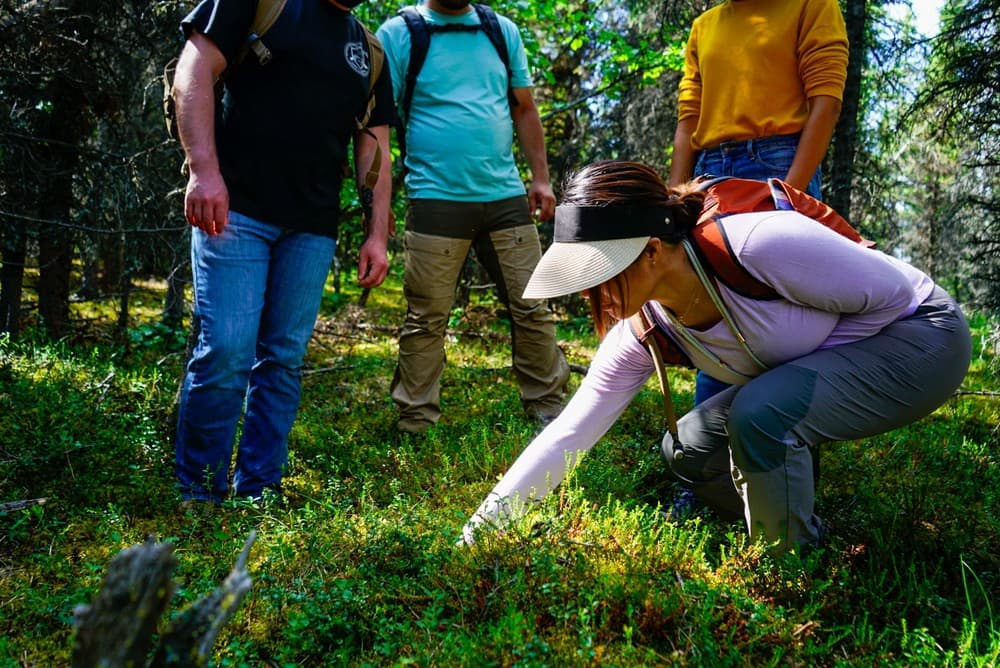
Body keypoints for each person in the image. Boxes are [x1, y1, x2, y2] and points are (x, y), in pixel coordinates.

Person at [461, 160, 971, 553]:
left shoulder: (759, 245)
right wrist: (478, 532)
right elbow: (570, 433)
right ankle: (805, 530)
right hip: (843, 363)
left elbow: (894, 295)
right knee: (689, 448)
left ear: (653, 250)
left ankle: (785, 569)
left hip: (924, 336)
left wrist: (795, 381)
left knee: (762, 412)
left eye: (600, 272)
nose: (593, 293)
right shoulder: (643, 327)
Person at [171, 0, 394, 504]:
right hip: (235, 211)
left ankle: (259, 491)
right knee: (227, 350)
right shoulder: (262, 4)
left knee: (283, 360)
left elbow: (373, 145)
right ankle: (200, 494)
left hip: (311, 229)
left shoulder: (370, 50)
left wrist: (377, 233)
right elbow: (195, 68)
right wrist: (203, 172)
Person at [376, 0, 570, 434]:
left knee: (533, 305)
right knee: (426, 317)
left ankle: (550, 413)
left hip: (504, 197)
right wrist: (379, 202)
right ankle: (416, 422)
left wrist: (540, 178)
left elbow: (524, 108)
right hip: (434, 198)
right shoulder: (399, 33)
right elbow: (378, 123)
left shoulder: (501, 31)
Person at [668, 0, 850, 403]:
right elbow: (688, 120)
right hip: (709, 172)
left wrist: (790, 197)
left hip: (779, 162)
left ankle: (783, 445)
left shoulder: (812, 6)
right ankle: (712, 448)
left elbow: (827, 102)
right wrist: (672, 200)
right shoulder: (705, 25)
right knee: (717, 305)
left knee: (786, 309)